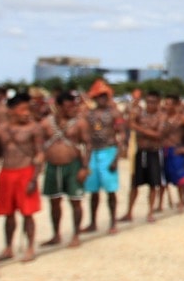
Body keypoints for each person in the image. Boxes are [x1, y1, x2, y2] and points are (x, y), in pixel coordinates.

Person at [0, 92, 45, 262]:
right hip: (6, 173)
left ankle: (30, 247)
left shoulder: (34, 128)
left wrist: (34, 178)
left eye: (28, 109)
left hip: (25, 172)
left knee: (27, 213)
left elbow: (39, 154)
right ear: (11, 111)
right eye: (22, 109)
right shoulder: (1, 130)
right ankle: (8, 247)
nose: (26, 113)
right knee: (8, 214)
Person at [40, 90, 90, 247]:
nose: (72, 110)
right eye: (68, 107)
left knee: (75, 201)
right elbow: (38, 144)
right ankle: (56, 234)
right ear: (58, 107)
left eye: (73, 107)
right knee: (54, 201)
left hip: (73, 165)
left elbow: (88, 144)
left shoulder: (80, 123)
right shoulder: (46, 123)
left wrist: (85, 167)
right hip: (53, 167)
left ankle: (76, 235)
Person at [82, 79, 125, 235]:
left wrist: (116, 158)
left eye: (104, 96)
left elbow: (122, 136)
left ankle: (113, 222)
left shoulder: (115, 113)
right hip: (93, 151)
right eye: (99, 96)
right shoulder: (88, 114)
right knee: (93, 191)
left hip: (109, 151)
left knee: (110, 190)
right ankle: (93, 222)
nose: (101, 99)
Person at [122, 90, 164, 223]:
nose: (150, 105)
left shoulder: (161, 117)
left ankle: (150, 212)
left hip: (153, 152)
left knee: (153, 184)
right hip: (140, 151)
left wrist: (139, 128)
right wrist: (133, 119)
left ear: (158, 103)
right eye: (148, 102)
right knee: (134, 183)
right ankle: (129, 212)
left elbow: (158, 134)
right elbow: (129, 123)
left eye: (153, 102)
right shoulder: (140, 114)